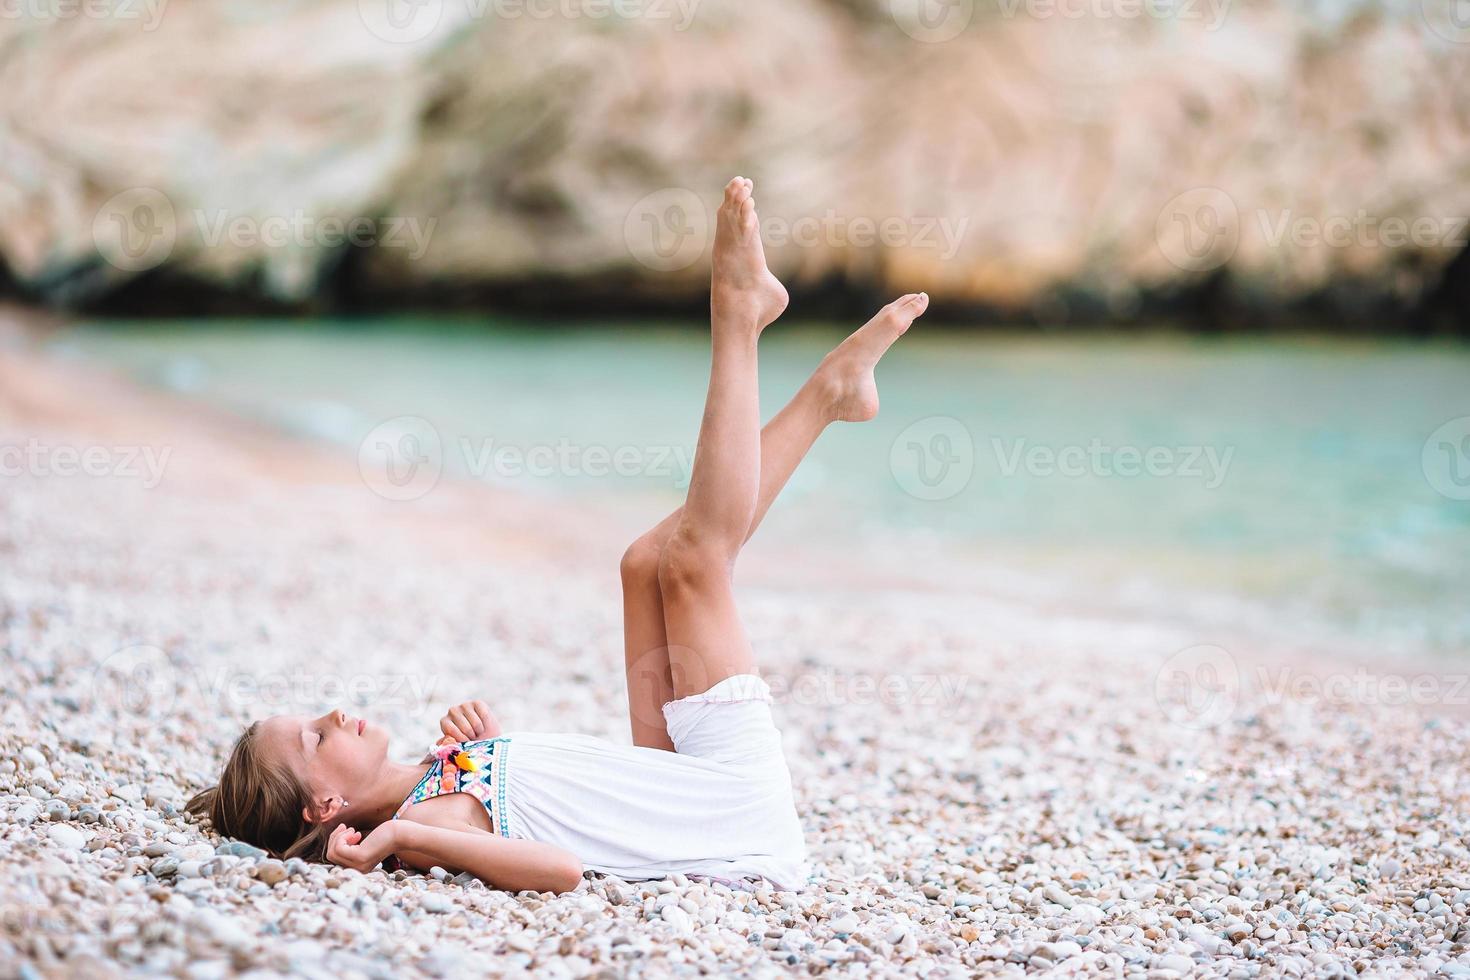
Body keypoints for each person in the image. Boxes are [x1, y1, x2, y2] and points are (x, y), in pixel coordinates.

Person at [187, 177, 929, 892]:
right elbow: (560, 869)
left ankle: (830, 397)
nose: (335, 715)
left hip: (674, 791)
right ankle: (738, 317)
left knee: (645, 563)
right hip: (731, 814)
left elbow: (545, 800)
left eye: (316, 717)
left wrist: (488, 746)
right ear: (326, 810)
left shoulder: (437, 772)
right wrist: (403, 840)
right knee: (698, 563)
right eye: (316, 739)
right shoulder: (427, 821)